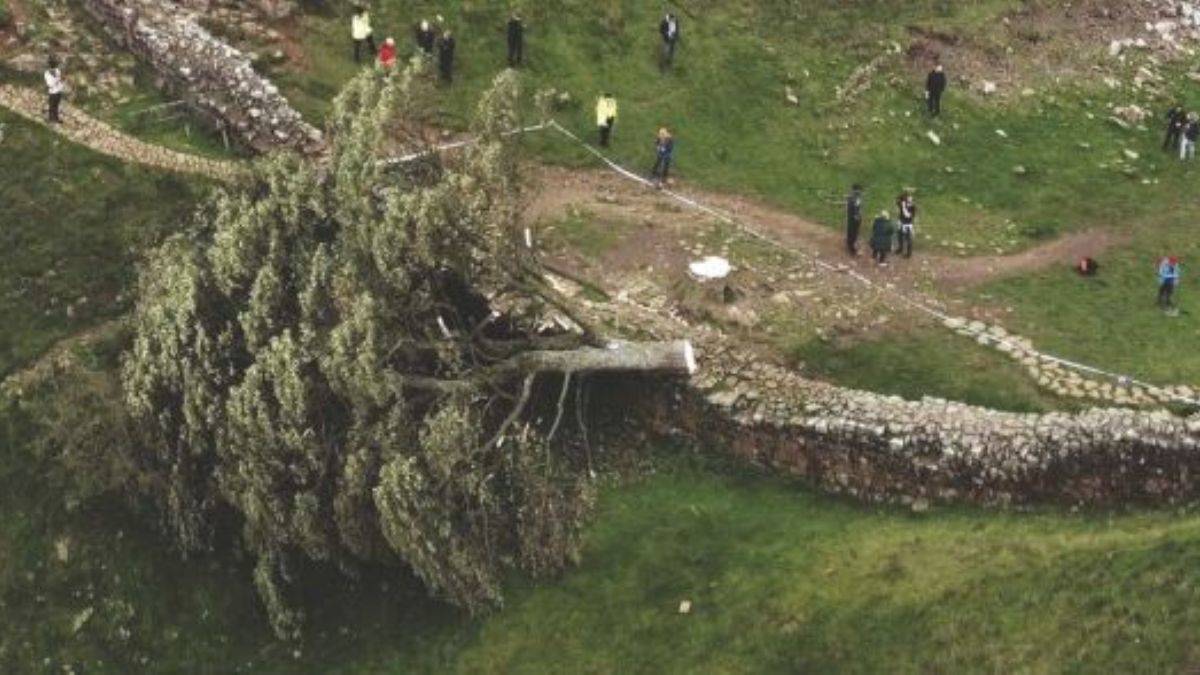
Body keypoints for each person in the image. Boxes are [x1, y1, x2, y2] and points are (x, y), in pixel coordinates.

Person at [895, 192, 916, 258]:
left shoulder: (913, 207)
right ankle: (900, 248)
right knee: (899, 236)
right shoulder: (903, 203)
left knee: (908, 239)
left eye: (910, 199)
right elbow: (897, 201)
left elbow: (907, 215)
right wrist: (901, 197)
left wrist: (903, 206)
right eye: (907, 198)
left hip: (907, 225)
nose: (908, 200)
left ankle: (908, 254)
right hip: (901, 222)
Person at [44, 56, 64, 124]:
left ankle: (54, 118)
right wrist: (57, 81)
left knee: (54, 105)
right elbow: (51, 83)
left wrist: (56, 81)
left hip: (55, 91)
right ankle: (52, 118)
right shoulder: (50, 73)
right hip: (55, 91)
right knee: (53, 105)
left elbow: (50, 83)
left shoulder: (53, 72)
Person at [846, 184, 864, 256]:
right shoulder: (856, 199)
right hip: (854, 219)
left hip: (851, 218)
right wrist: (857, 217)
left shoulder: (851, 197)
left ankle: (850, 244)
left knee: (851, 232)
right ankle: (852, 249)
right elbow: (856, 209)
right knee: (853, 233)